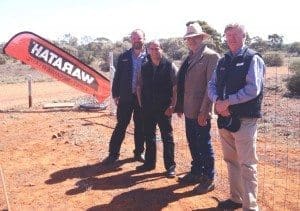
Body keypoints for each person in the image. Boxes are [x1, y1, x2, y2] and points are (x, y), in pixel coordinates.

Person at [208, 23, 265, 211]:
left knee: (247, 165)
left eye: (235, 34)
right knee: (231, 161)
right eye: (228, 34)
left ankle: (250, 206)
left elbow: (253, 89)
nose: (231, 38)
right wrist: (217, 100)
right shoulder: (223, 60)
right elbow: (212, 85)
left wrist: (228, 102)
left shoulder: (252, 58)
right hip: (225, 118)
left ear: (244, 36)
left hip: (245, 120)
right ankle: (236, 198)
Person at [175, 22, 220, 193]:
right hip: (188, 109)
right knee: (193, 142)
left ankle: (208, 178)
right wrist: (179, 105)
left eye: (195, 38)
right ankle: (196, 172)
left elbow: (211, 86)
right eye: (189, 38)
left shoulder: (211, 56)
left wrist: (205, 111)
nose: (192, 41)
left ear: (202, 38)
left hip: (201, 110)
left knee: (204, 143)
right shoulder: (189, 57)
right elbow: (181, 83)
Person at [102, 29, 147, 165]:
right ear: (131, 40)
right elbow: (117, 77)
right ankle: (113, 153)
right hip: (126, 97)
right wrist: (115, 94)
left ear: (144, 39)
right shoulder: (124, 57)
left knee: (141, 126)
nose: (136, 41)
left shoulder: (149, 57)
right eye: (133, 38)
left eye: (138, 38)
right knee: (121, 124)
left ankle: (139, 153)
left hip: (142, 99)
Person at [136, 40, 178, 178]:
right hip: (148, 107)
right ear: (148, 50)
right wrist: (141, 103)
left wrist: (172, 106)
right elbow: (139, 85)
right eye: (151, 49)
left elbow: (176, 87)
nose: (154, 51)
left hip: (164, 108)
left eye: (157, 48)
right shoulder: (145, 66)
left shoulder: (170, 65)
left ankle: (170, 166)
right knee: (149, 135)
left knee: (167, 137)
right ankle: (149, 163)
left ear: (162, 49)